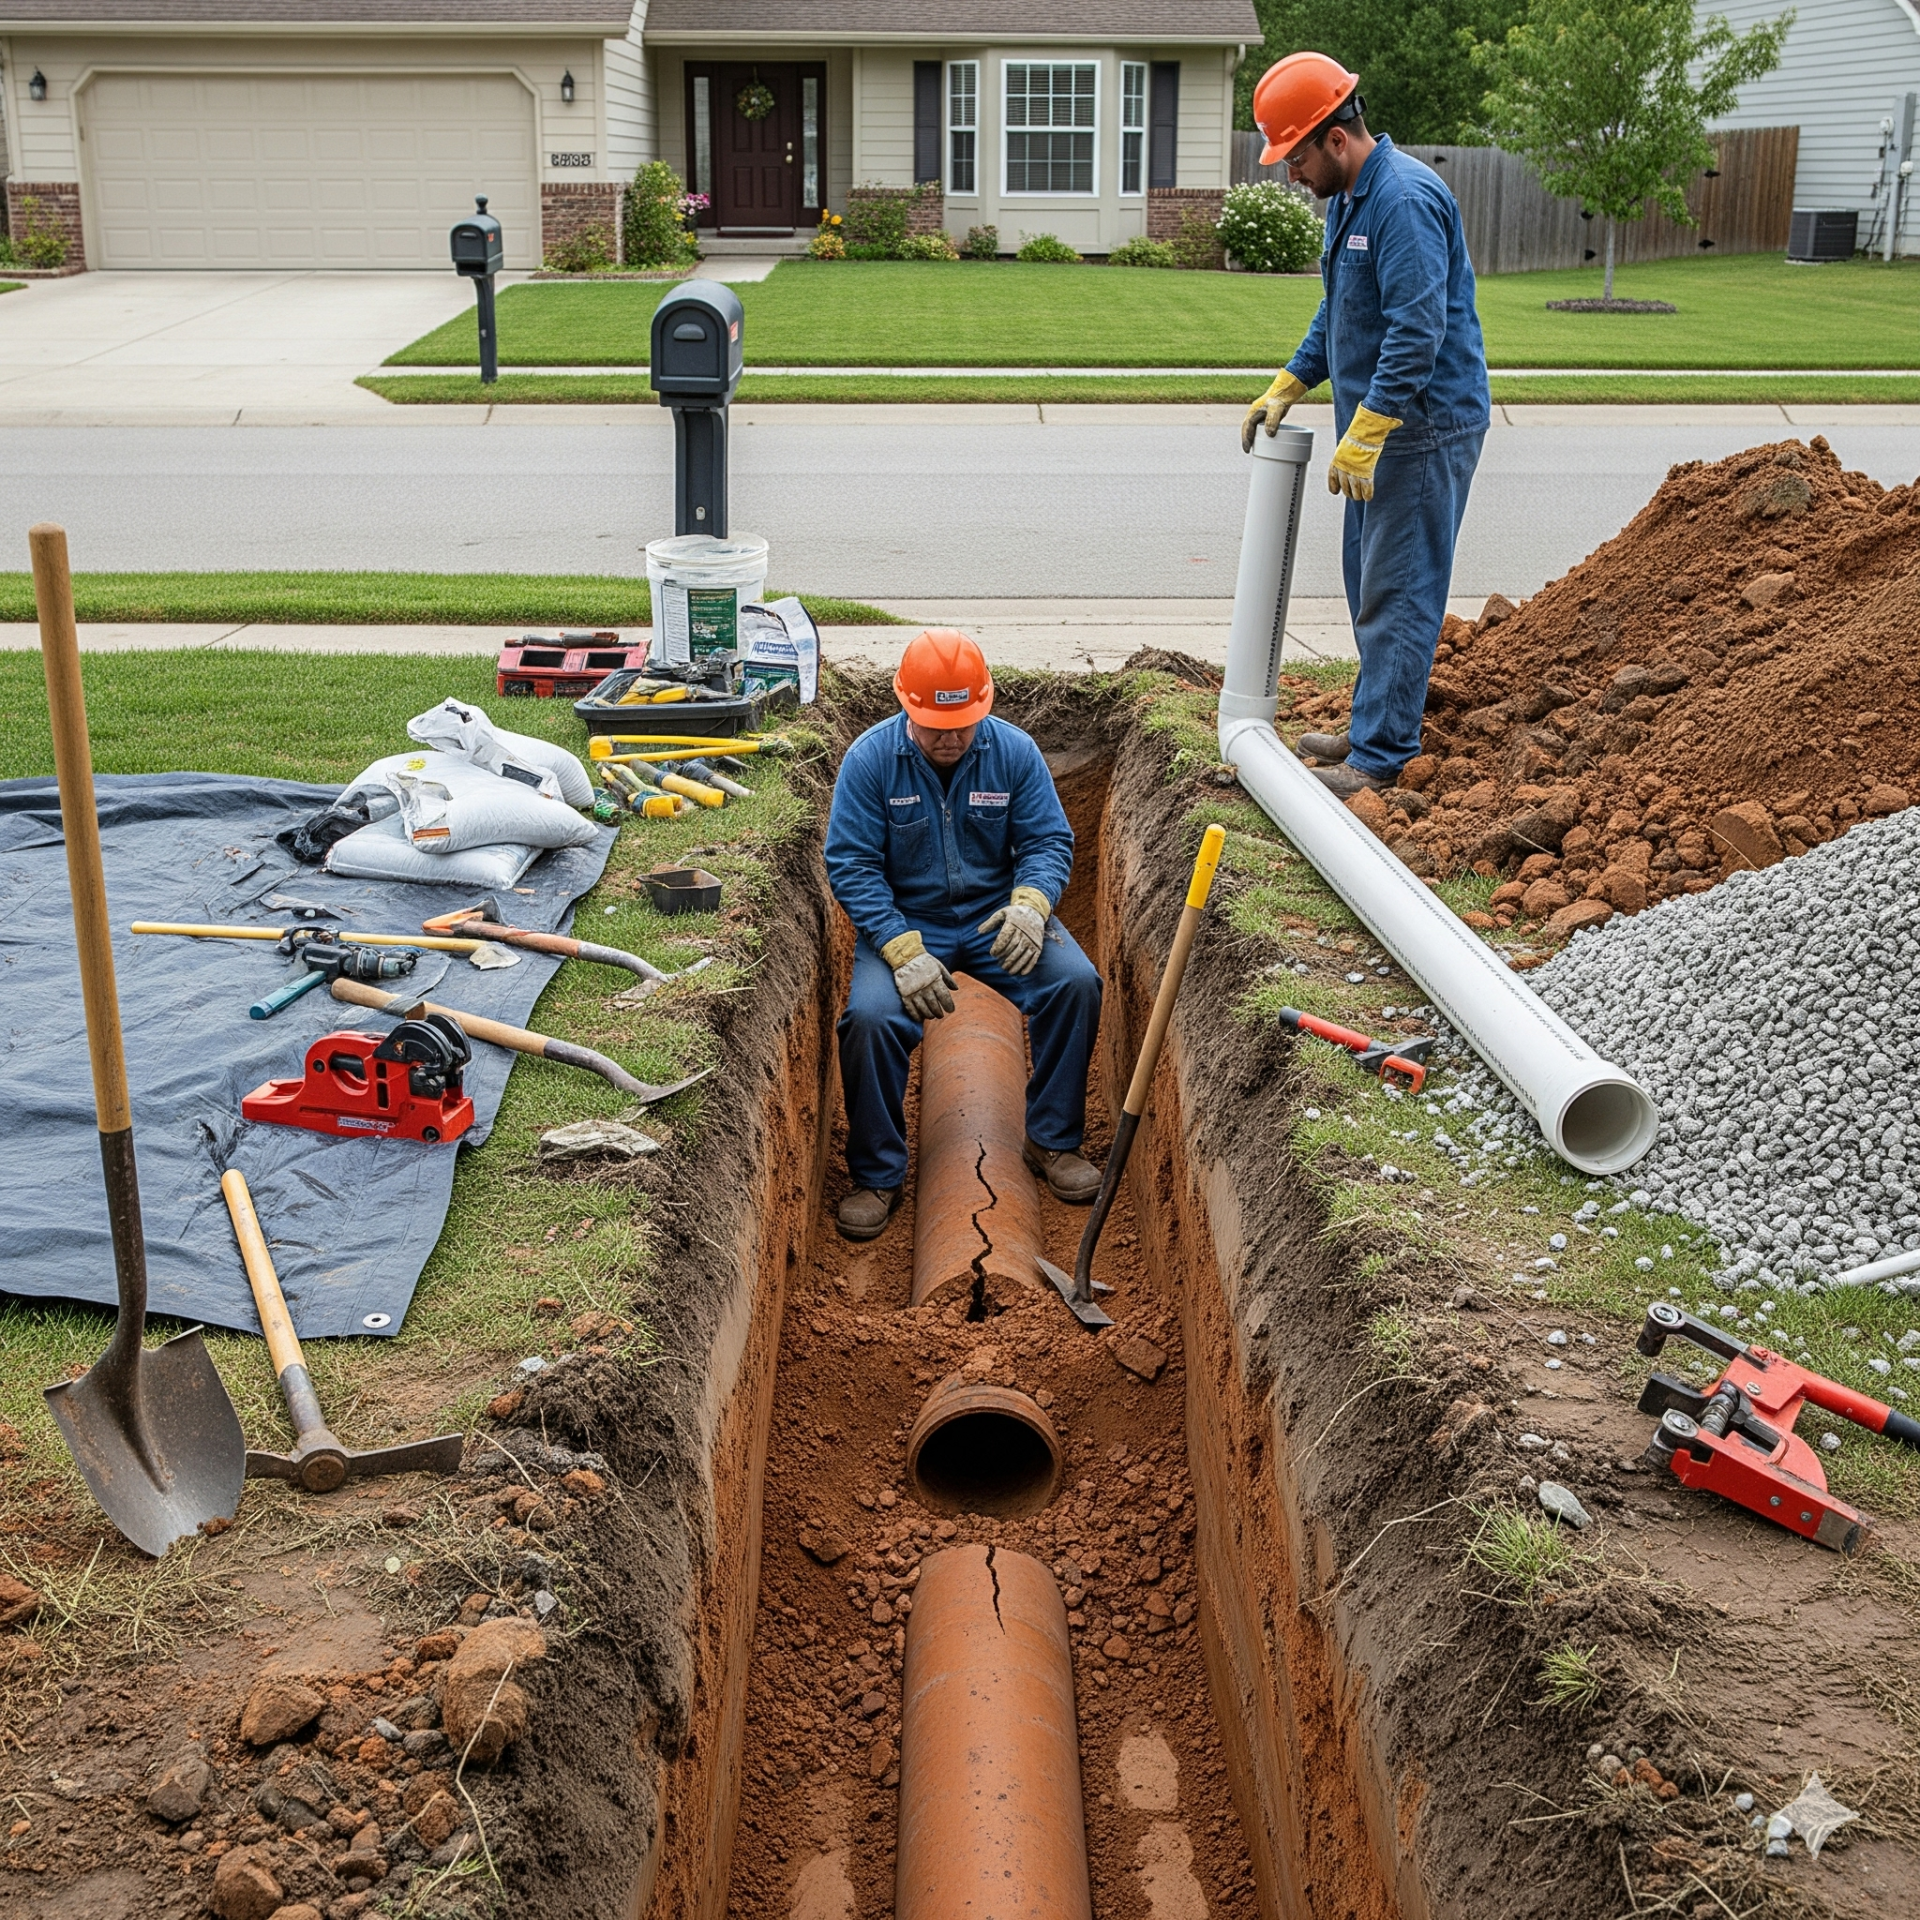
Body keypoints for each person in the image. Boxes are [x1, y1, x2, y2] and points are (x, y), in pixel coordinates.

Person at [1240, 52, 1490, 798]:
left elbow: (1418, 326)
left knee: (1400, 586)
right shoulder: (1351, 200)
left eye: (1295, 156)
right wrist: (1292, 380)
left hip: (1422, 426)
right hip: (1380, 430)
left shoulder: (1403, 199)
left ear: (1336, 138)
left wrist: (1374, 423)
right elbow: (1341, 308)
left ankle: (1381, 755)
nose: (1291, 174)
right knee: (1367, 577)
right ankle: (1376, 719)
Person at [824, 630, 1104, 1240]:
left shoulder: (1015, 753)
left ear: (985, 706)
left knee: (1076, 983)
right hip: (904, 925)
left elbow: (1048, 841)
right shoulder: (870, 761)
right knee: (870, 1020)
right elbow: (850, 863)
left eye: (964, 724)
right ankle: (878, 1175)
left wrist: (1031, 906)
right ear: (905, 708)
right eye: (934, 726)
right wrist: (899, 949)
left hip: (995, 919)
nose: (951, 738)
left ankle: (1052, 1142)